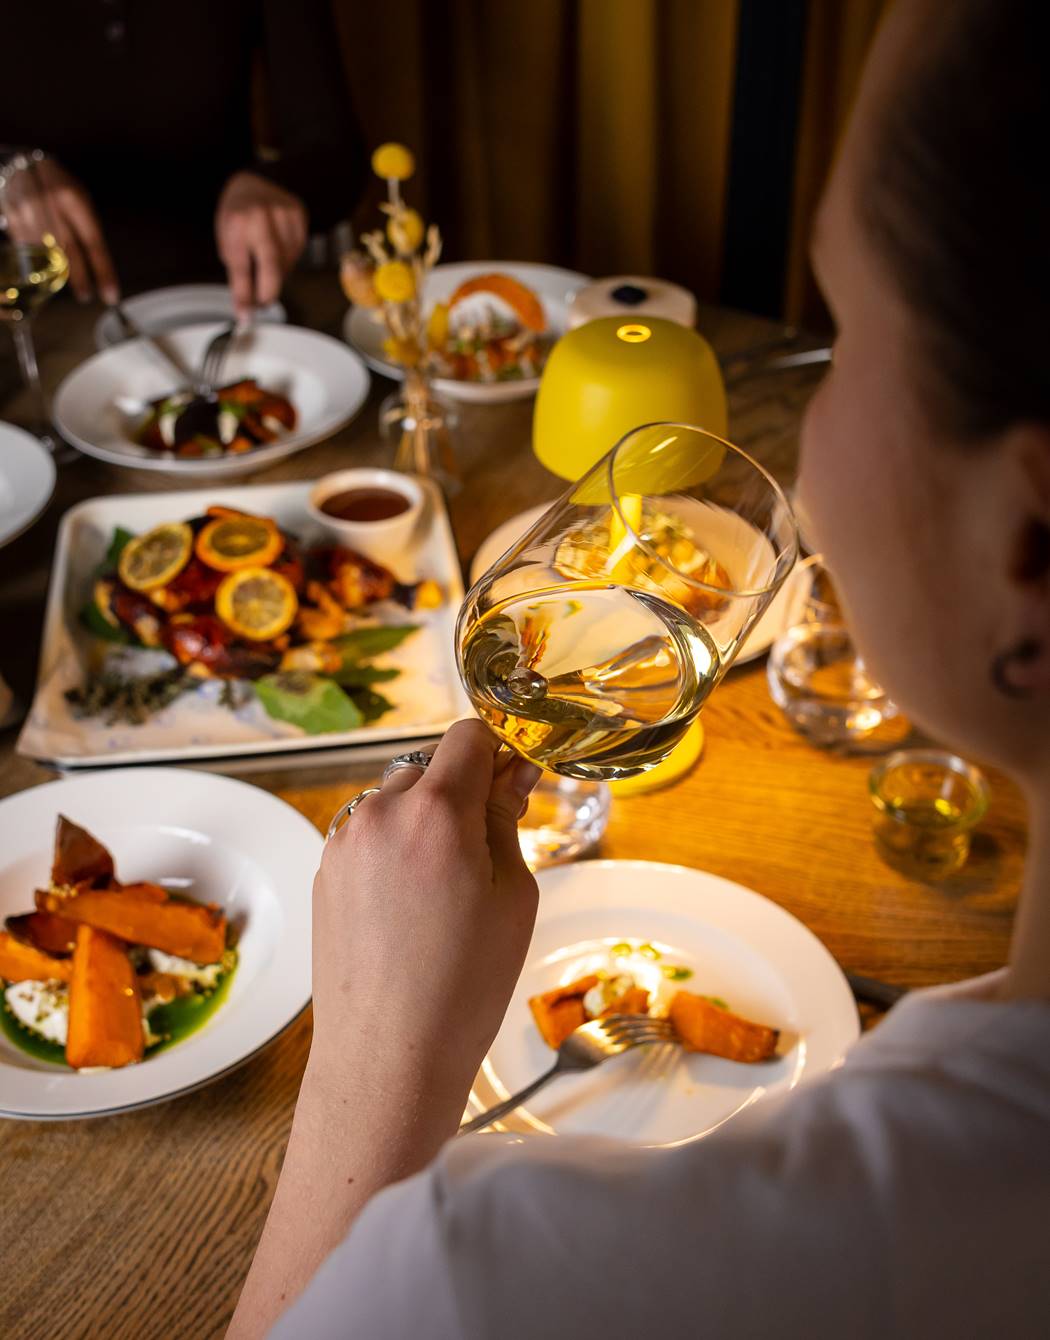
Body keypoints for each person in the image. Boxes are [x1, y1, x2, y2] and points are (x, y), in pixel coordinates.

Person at [228, 0, 1050, 1334]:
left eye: (841, 337)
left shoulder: (506, 1268)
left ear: (1025, 538)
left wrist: (373, 1060)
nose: (804, 421)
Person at [0, 1, 364, 313]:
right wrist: (6, 172)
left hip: (225, 303)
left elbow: (334, 150)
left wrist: (280, 183)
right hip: (36, 317)